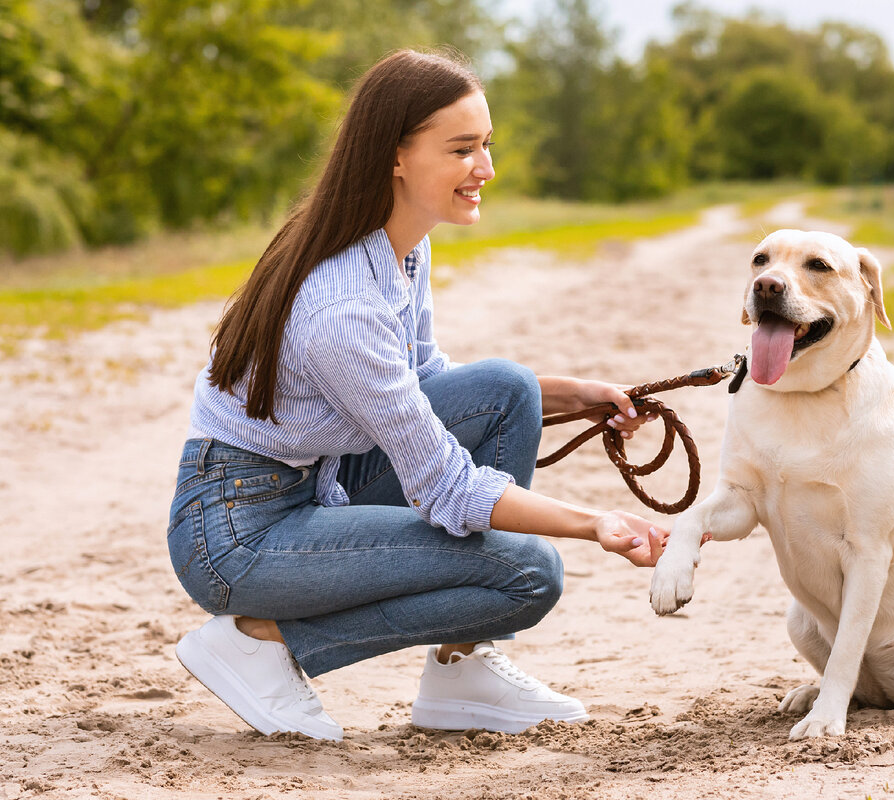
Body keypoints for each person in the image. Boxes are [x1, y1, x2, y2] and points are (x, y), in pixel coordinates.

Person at [166, 49, 667, 742]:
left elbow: (423, 388)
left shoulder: (398, 246)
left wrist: (568, 396)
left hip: (314, 488)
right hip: (238, 534)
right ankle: (262, 639)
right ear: (394, 157)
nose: (486, 169)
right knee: (527, 572)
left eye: (486, 146)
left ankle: (461, 670)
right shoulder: (341, 305)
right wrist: (593, 523)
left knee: (506, 390)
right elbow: (445, 485)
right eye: (462, 150)